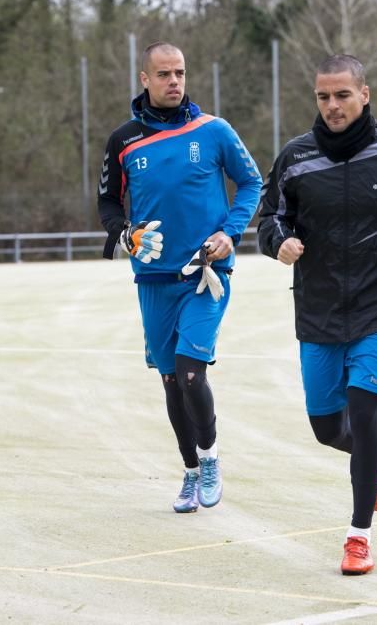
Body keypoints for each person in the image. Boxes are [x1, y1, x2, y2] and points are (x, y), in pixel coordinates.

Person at [258, 54, 377, 576]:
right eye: (323, 96)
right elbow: (269, 218)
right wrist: (279, 242)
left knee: (366, 410)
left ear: (364, 94)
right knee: (327, 428)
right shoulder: (295, 158)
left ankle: (358, 535)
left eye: (342, 95)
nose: (332, 106)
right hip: (319, 309)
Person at [97, 42, 262, 513]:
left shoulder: (214, 131)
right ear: (144, 79)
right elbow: (108, 202)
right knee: (171, 381)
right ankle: (189, 471)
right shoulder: (123, 140)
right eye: (164, 74)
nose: (174, 81)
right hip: (152, 279)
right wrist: (123, 234)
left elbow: (252, 183)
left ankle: (210, 460)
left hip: (206, 272)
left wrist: (231, 233)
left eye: (181, 73)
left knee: (192, 374)